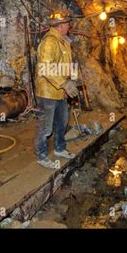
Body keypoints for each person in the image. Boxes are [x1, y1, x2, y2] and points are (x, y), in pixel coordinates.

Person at [34, 9, 78, 169]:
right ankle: (42, 156)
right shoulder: (49, 42)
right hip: (47, 92)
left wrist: (72, 79)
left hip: (59, 91)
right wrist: (64, 84)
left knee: (62, 123)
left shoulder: (63, 41)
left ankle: (60, 149)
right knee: (45, 127)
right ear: (60, 25)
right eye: (67, 23)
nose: (69, 25)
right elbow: (46, 68)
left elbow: (67, 63)